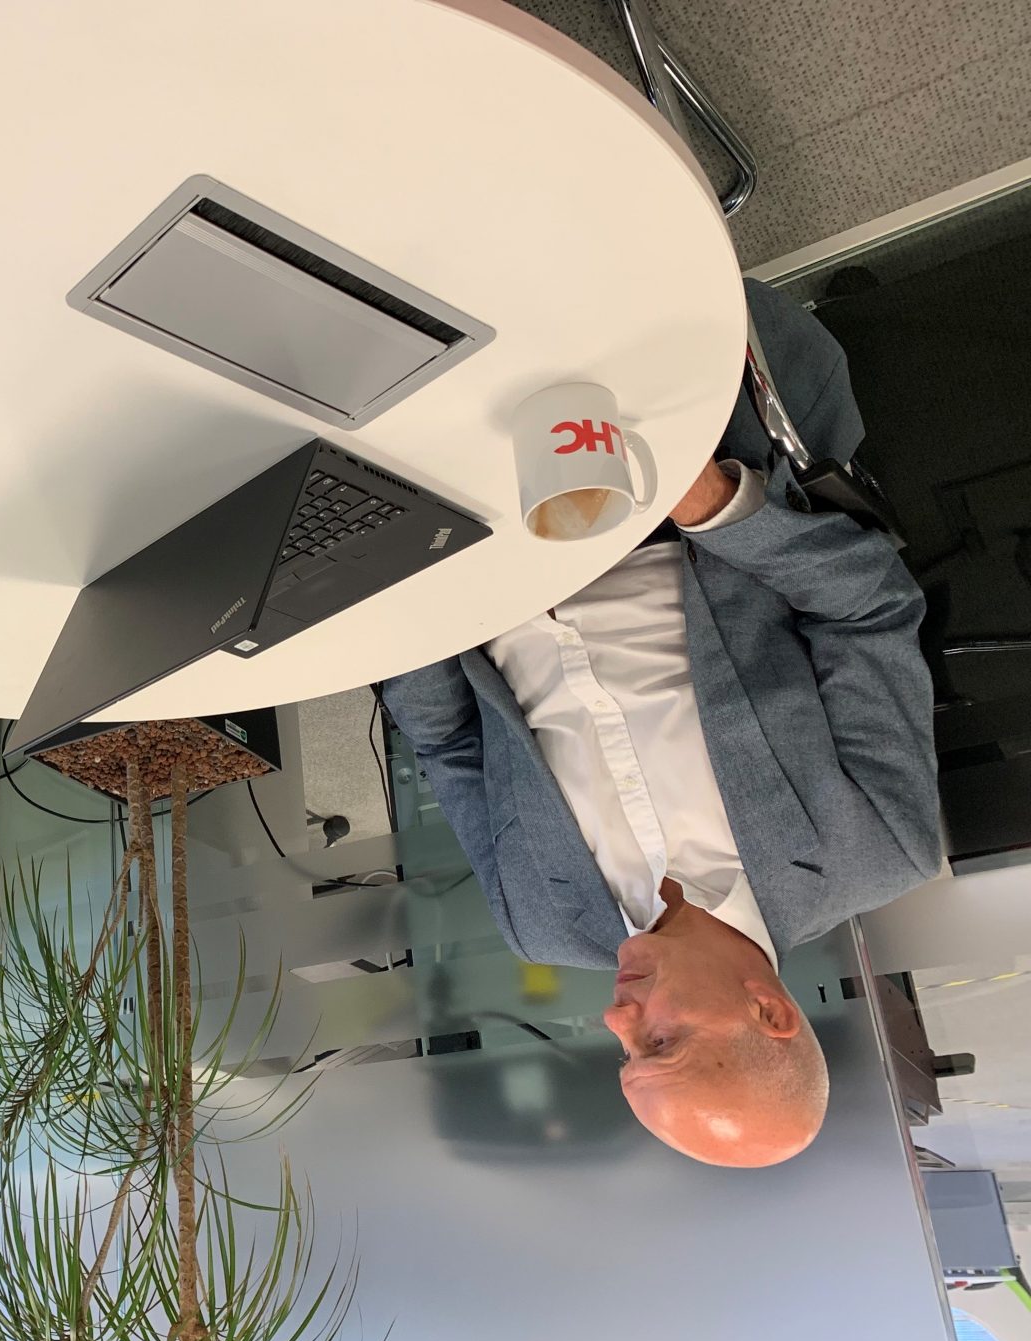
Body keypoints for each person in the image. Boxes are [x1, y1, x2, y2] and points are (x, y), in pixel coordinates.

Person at [379, 279, 940, 1167]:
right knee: (554, 264)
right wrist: (714, 505)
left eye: (625, 1050)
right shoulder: (874, 848)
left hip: (472, 555)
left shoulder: (543, 923)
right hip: (663, 501)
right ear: (769, 1009)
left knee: (388, 326)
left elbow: (452, 743)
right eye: (660, 1040)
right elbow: (869, 610)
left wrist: (397, 607)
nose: (615, 1018)